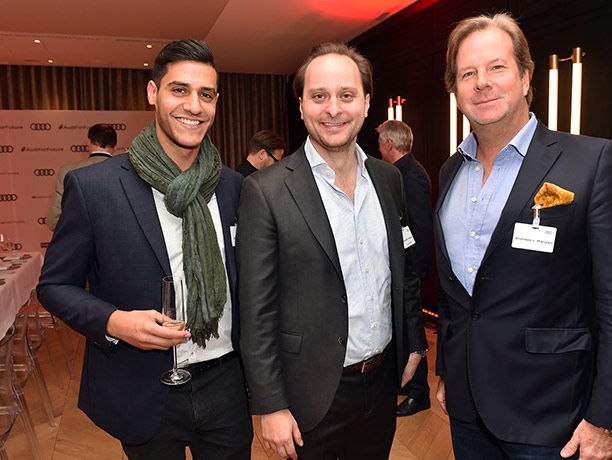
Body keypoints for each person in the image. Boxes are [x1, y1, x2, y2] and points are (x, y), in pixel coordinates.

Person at [434, 12, 612, 460]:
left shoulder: (591, 161)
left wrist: (609, 416)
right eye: (467, 73)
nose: (482, 83)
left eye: (496, 67)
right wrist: (446, 369)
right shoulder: (450, 170)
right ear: (455, 89)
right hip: (467, 406)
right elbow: (459, 297)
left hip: (554, 413)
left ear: (526, 77)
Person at [37, 39, 252, 459]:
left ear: (216, 102)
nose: (193, 105)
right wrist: (115, 322)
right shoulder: (96, 187)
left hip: (227, 385)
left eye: (205, 94)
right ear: (153, 93)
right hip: (142, 387)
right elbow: (55, 284)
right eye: (179, 90)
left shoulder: (234, 187)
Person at [237, 42, 427, 460]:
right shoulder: (265, 191)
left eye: (346, 95)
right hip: (310, 392)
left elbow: (404, 270)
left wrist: (415, 342)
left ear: (366, 103)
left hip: (381, 383)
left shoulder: (388, 179)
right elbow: (255, 310)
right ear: (302, 106)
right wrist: (269, 403)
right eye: (319, 96)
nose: (333, 109)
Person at [376, 119, 433, 417]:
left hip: (410, 270)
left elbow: (420, 228)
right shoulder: (400, 172)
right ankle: (407, 381)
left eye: (380, 143)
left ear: (388, 144)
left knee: (413, 331)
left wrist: (415, 271)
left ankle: (419, 393)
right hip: (403, 269)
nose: (378, 147)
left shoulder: (410, 175)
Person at [46, 123, 117, 230]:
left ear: (88, 141)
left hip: (81, 243)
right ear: (115, 146)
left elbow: (54, 220)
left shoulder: (68, 171)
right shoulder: (129, 172)